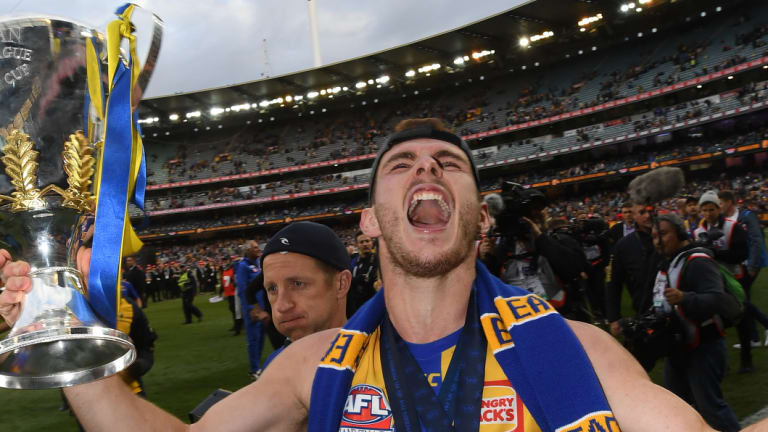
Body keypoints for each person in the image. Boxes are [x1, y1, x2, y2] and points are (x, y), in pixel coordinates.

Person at [1, 119, 767, 431]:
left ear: (479, 216)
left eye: (448, 166)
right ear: (369, 221)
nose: (426, 169)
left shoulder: (581, 351)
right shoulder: (312, 367)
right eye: (401, 166)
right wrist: (52, 326)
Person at [652, 214, 742, 432]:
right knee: (675, 405)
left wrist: (685, 298)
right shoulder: (668, 262)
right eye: (654, 236)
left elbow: (716, 299)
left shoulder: (698, 261)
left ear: (680, 233)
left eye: (663, 234)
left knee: (711, 409)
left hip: (704, 347)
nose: (658, 241)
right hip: (678, 348)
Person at [259, 221, 351, 370]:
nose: (281, 306)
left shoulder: (385, 366)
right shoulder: (274, 365)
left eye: (297, 284)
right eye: (272, 288)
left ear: (341, 284)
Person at [718, 190, 768, 370]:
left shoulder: (746, 216)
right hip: (739, 267)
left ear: (730, 202)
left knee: (743, 302)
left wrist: (754, 265)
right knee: (743, 301)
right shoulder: (727, 220)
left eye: (722, 203)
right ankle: (754, 337)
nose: (720, 206)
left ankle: (761, 329)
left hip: (749, 266)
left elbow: (756, 240)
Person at [606, 203, 663, 339]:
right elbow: (613, 282)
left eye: (650, 211)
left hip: (673, 308)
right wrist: (613, 317)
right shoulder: (624, 245)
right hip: (643, 309)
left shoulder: (669, 235)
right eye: (642, 212)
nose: (648, 216)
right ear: (634, 215)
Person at [235, 240, 266, 377]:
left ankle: (257, 365)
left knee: (261, 338)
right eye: (254, 248)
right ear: (247, 250)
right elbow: (242, 289)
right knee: (253, 338)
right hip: (252, 309)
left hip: (262, 307)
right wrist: (249, 308)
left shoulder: (258, 264)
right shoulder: (243, 266)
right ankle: (254, 369)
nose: (257, 249)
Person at [347, 230, 377, 316]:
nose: (365, 244)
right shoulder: (352, 261)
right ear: (356, 245)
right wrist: (356, 280)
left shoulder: (379, 260)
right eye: (361, 242)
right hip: (357, 308)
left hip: (374, 306)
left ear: (372, 243)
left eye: (367, 241)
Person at [219, 256, 242, 335]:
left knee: (236, 310)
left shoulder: (233, 268)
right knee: (232, 309)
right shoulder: (224, 269)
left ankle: (238, 327)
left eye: (226, 260)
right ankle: (236, 325)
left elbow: (236, 280)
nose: (224, 261)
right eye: (223, 260)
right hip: (228, 293)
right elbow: (223, 281)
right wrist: (221, 292)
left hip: (234, 292)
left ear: (229, 260)